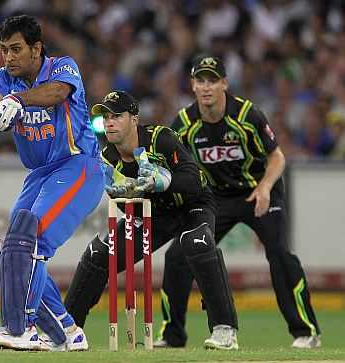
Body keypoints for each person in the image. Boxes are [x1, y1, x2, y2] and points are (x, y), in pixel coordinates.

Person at [0, 14, 105, 351]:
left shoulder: (62, 68)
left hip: (77, 166)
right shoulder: (2, 77)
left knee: (31, 237)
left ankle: (20, 329)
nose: (8, 57)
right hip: (38, 175)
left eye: (15, 49)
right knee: (11, 249)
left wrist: (17, 101)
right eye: (3, 50)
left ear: (36, 49)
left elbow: (55, 94)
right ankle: (67, 332)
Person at [157, 55, 321, 349]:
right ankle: (172, 335)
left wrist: (266, 187)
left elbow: (277, 157)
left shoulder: (247, 115)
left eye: (213, 80)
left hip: (257, 191)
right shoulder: (183, 123)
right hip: (216, 198)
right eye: (200, 81)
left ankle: (306, 331)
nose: (206, 87)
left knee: (280, 253)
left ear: (225, 84)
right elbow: (172, 167)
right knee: (177, 256)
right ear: (192, 85)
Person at [63, 90, 239, 350]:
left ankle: (225, 329)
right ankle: (67, 330)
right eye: (106, 118)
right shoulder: (107, 158)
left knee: (197, 242)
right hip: (152, 215)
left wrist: (163, 180)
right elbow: (126, 207)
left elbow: (194, 180)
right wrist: (125, 195)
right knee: (97, 254)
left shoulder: (161, 139)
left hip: (192, 206)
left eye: (116, 116)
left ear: (134, 119)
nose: (109, 122)